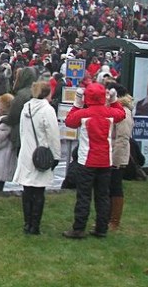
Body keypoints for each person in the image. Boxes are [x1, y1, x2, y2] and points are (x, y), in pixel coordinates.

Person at [63, 83, 126, 238]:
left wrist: (77, 103)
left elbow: (69, 121)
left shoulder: (84, 113)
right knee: (103, 195)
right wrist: (113, 100)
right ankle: (101, 228)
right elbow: (121, 114)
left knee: (84, 196)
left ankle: (79, 228)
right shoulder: (109, 112)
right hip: (105, 160)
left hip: (87, 160)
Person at [12, 82, 61, 235]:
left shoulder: (26, 107)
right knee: (38, 191)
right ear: (47, 93)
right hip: (41, 153)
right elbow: (53, 135)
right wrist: (56, 156)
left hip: (27, 152)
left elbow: (22, 130)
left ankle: (27, 223)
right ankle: (35, 225)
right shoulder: (47, 110)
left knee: (27, 190)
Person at [106, 82, 133, 230]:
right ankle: (108, 217)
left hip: (117, 155)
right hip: (111, 153)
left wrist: (115, 160)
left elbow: (122, 138)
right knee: (110, 186)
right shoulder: (114, 108)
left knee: (116, 187)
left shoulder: (123, 111)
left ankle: (115, 220)